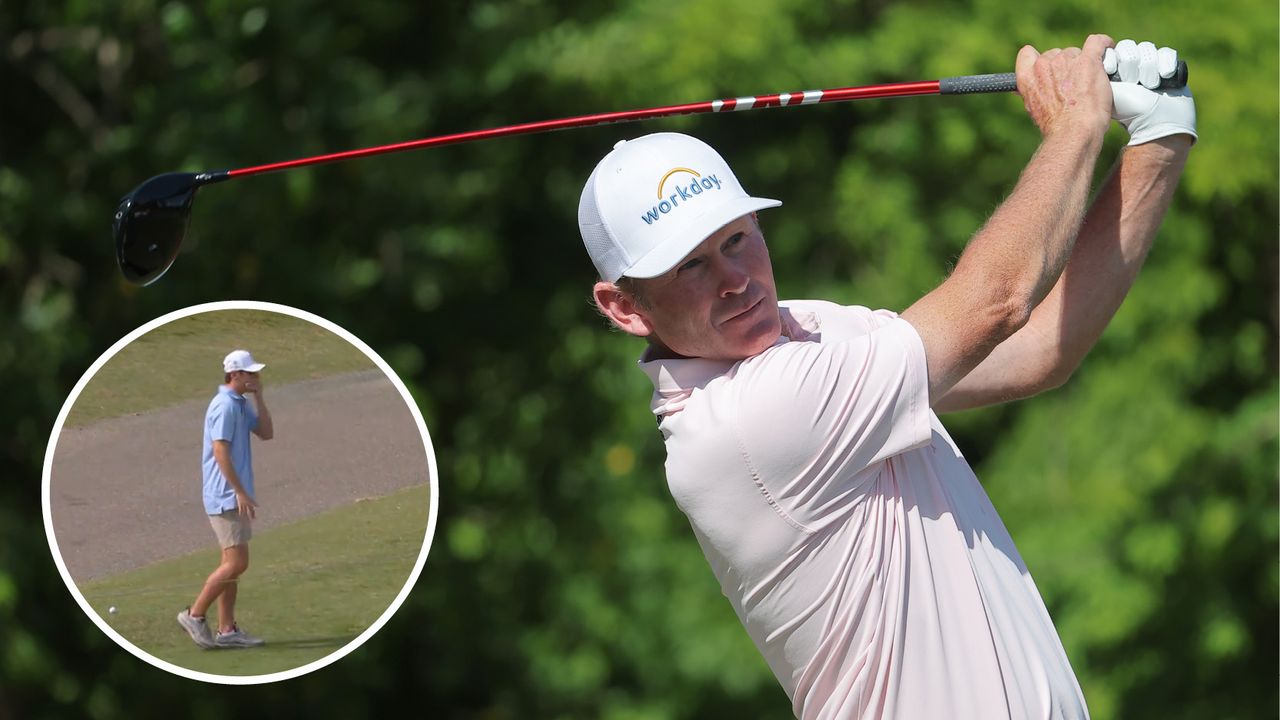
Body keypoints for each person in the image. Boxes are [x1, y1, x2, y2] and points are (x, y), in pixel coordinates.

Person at [579, 36, 1194, 719]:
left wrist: (1156, 139)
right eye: (691, 266)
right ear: (625, 308)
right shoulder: (748, 421)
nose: (735, 281)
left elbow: (1041, 349)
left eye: (737, 239)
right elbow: (997, 302)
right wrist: (1076, 123)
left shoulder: (805, 333)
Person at [177, 349, 275, 649]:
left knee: (231, 564)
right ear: (235, 375)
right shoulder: (225, 406)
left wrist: (259, 397)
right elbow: (220, 450)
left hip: (231, 494)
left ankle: (227, 629)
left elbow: (267, 433)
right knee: (237, 563)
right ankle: (194, 615)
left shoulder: (240, 403)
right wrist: (240, 492)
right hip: (225, 495)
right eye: (250, 373)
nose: (255, 377)